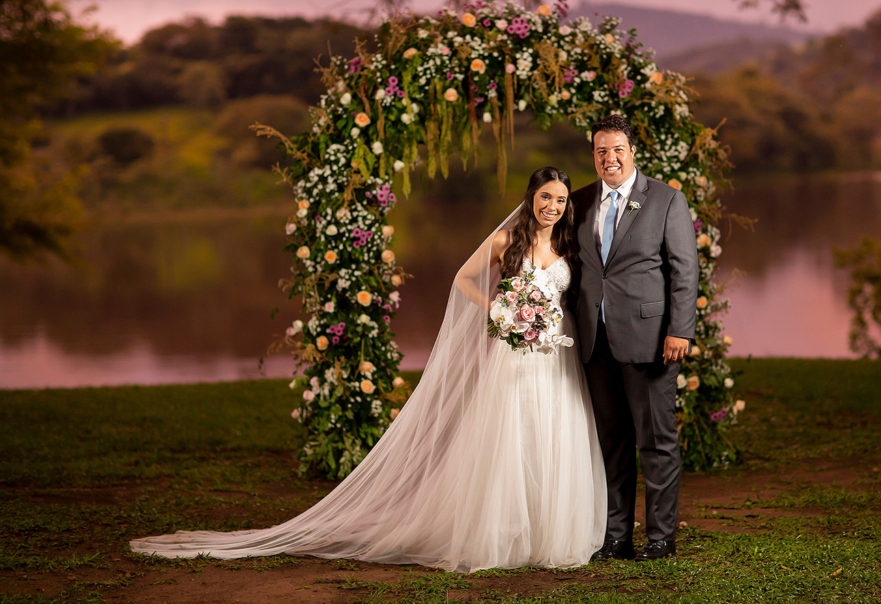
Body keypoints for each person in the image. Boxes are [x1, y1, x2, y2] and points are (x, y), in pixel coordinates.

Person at [130, 166, 606, 573]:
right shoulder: (507, 238)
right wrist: (498, 309)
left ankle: (548, 532)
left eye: (561, 200)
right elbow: (464, 278)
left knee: (553, 431)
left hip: (554, 350)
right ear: (531, 197)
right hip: (512, 352)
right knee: (510, 434)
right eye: (546, 197)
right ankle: (505, 533)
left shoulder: (568, 242)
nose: (553, 205)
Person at [571, 115, 699, 562]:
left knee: (656, 442)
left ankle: (661, 538)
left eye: (617, 149)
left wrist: (680, 329)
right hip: (594, 342)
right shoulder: (580, 201)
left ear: (632, 151)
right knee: (612, 444)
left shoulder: (666, 199)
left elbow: (685, 269)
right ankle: (616, 537)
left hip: (650, 340)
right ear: (594, 155)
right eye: (601, 150)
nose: (610, 158)